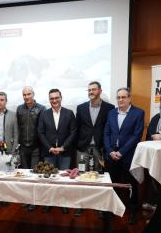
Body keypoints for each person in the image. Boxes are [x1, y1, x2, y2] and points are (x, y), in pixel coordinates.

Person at [104, 87, 144, 224]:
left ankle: (133, 211)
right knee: (113, 183)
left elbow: (136, 136)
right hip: (111, 154)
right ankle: (113, 208)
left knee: (130, 184)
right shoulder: (111, 113)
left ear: (129, 98)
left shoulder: (138, 113)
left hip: (128, 155)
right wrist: (110, 151)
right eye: (118, 97)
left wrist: (121, 152)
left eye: (123, 97)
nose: (120, 100)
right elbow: (107, 133)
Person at [74, 81, 114, 216]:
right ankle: (81, 204)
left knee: (99, 176)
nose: (91, 92)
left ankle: (99, 206)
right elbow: (77, 128)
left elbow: (109, 128)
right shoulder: (81, 108)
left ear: (100, 91)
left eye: (93, 89)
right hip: (82, 147)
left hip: (100, 147)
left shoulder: (109, 108)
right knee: (81, 175)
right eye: (89, 90)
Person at [38, 88, 77, 213]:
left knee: (63, 179)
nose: (54, 100)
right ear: (49, 100)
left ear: (61, 98)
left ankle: (63, 203)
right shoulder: (44, 114)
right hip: (48, 152)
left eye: (56, 98)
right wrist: (49, 147)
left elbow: (73, 132)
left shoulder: (69, 113)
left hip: (65, 152)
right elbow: (40, 132)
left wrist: (63, 147)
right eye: (52, 98)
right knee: (49, 178)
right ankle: (49, 202)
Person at [16, 86, 46, 211]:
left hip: (36, 147)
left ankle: (34, 200)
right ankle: (27, 199)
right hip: (23, 147)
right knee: (25, 174)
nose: (26, 97)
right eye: (24, 95)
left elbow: (42, 129)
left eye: (29, 94)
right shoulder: (19, 108)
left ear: (33, 94)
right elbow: (18, 127)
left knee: (34, 174)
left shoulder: (41, 108)